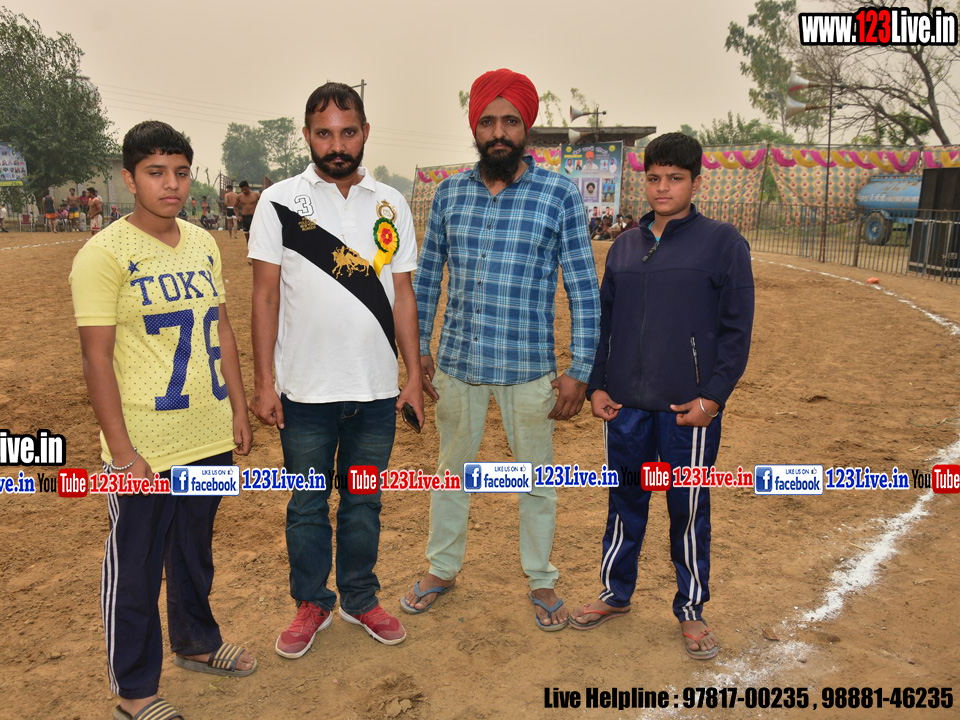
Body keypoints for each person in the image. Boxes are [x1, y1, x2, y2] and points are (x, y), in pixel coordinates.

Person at [69, 120, 256, 720]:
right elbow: (96, 359)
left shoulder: (203, 242)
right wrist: (122, 453)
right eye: (155, 173)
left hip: (207, 431)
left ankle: (196, 642)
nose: (171, 184)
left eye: (180, 172)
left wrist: (238, 407)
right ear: (130, 179)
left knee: (194, 550)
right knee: (137, 566)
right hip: (144, 446)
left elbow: (221, 328)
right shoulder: (102, 255)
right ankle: (133, 691)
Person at [403, 69, 601, 631]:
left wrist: (579, 368)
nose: (498, 132)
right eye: (487, 121)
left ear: (525, 127)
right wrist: (418, 354)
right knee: (450, 474)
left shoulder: (559, 194)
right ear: (474, 128)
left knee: (537, 480)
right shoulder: (449, 194)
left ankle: (541, 579)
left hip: (530, 368)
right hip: (457, 365)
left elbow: (583, 287)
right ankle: (442, 569)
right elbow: (428, 279)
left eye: (509, 121)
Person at [249, 82, 423, 659]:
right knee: (306, 504)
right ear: (307, 135)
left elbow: (403, 295)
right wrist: (264, 383)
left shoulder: (391, 203)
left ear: (365, 132)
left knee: (363, 502)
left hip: (375, 391)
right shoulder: (277, 201)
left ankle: (359, 597)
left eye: (348, 132)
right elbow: (264, 296)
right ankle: (311, 602)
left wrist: (413, 375)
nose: (337, 145)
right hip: (303, 392)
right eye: (324, 134)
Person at [570, 132, 755, 661]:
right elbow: (605, 324)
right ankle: (615, 593)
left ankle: (691, 608)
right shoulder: (625, 245)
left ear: (696, 182)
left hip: (685, 413)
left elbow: (737, 330)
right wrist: (598, 385)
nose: (663, 188)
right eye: (654, 178)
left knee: (687, 508)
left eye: (675, 178)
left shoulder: (723, 243)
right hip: (625, 408)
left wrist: (712, 398)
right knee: (624, 502)